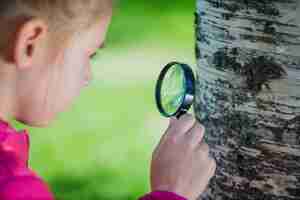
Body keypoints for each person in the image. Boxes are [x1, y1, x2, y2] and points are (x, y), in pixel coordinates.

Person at [0, 1, 216, 200]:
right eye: (90, 54)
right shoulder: (13, 187)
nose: (87, 77)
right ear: (30, 44)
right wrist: (171, 192)